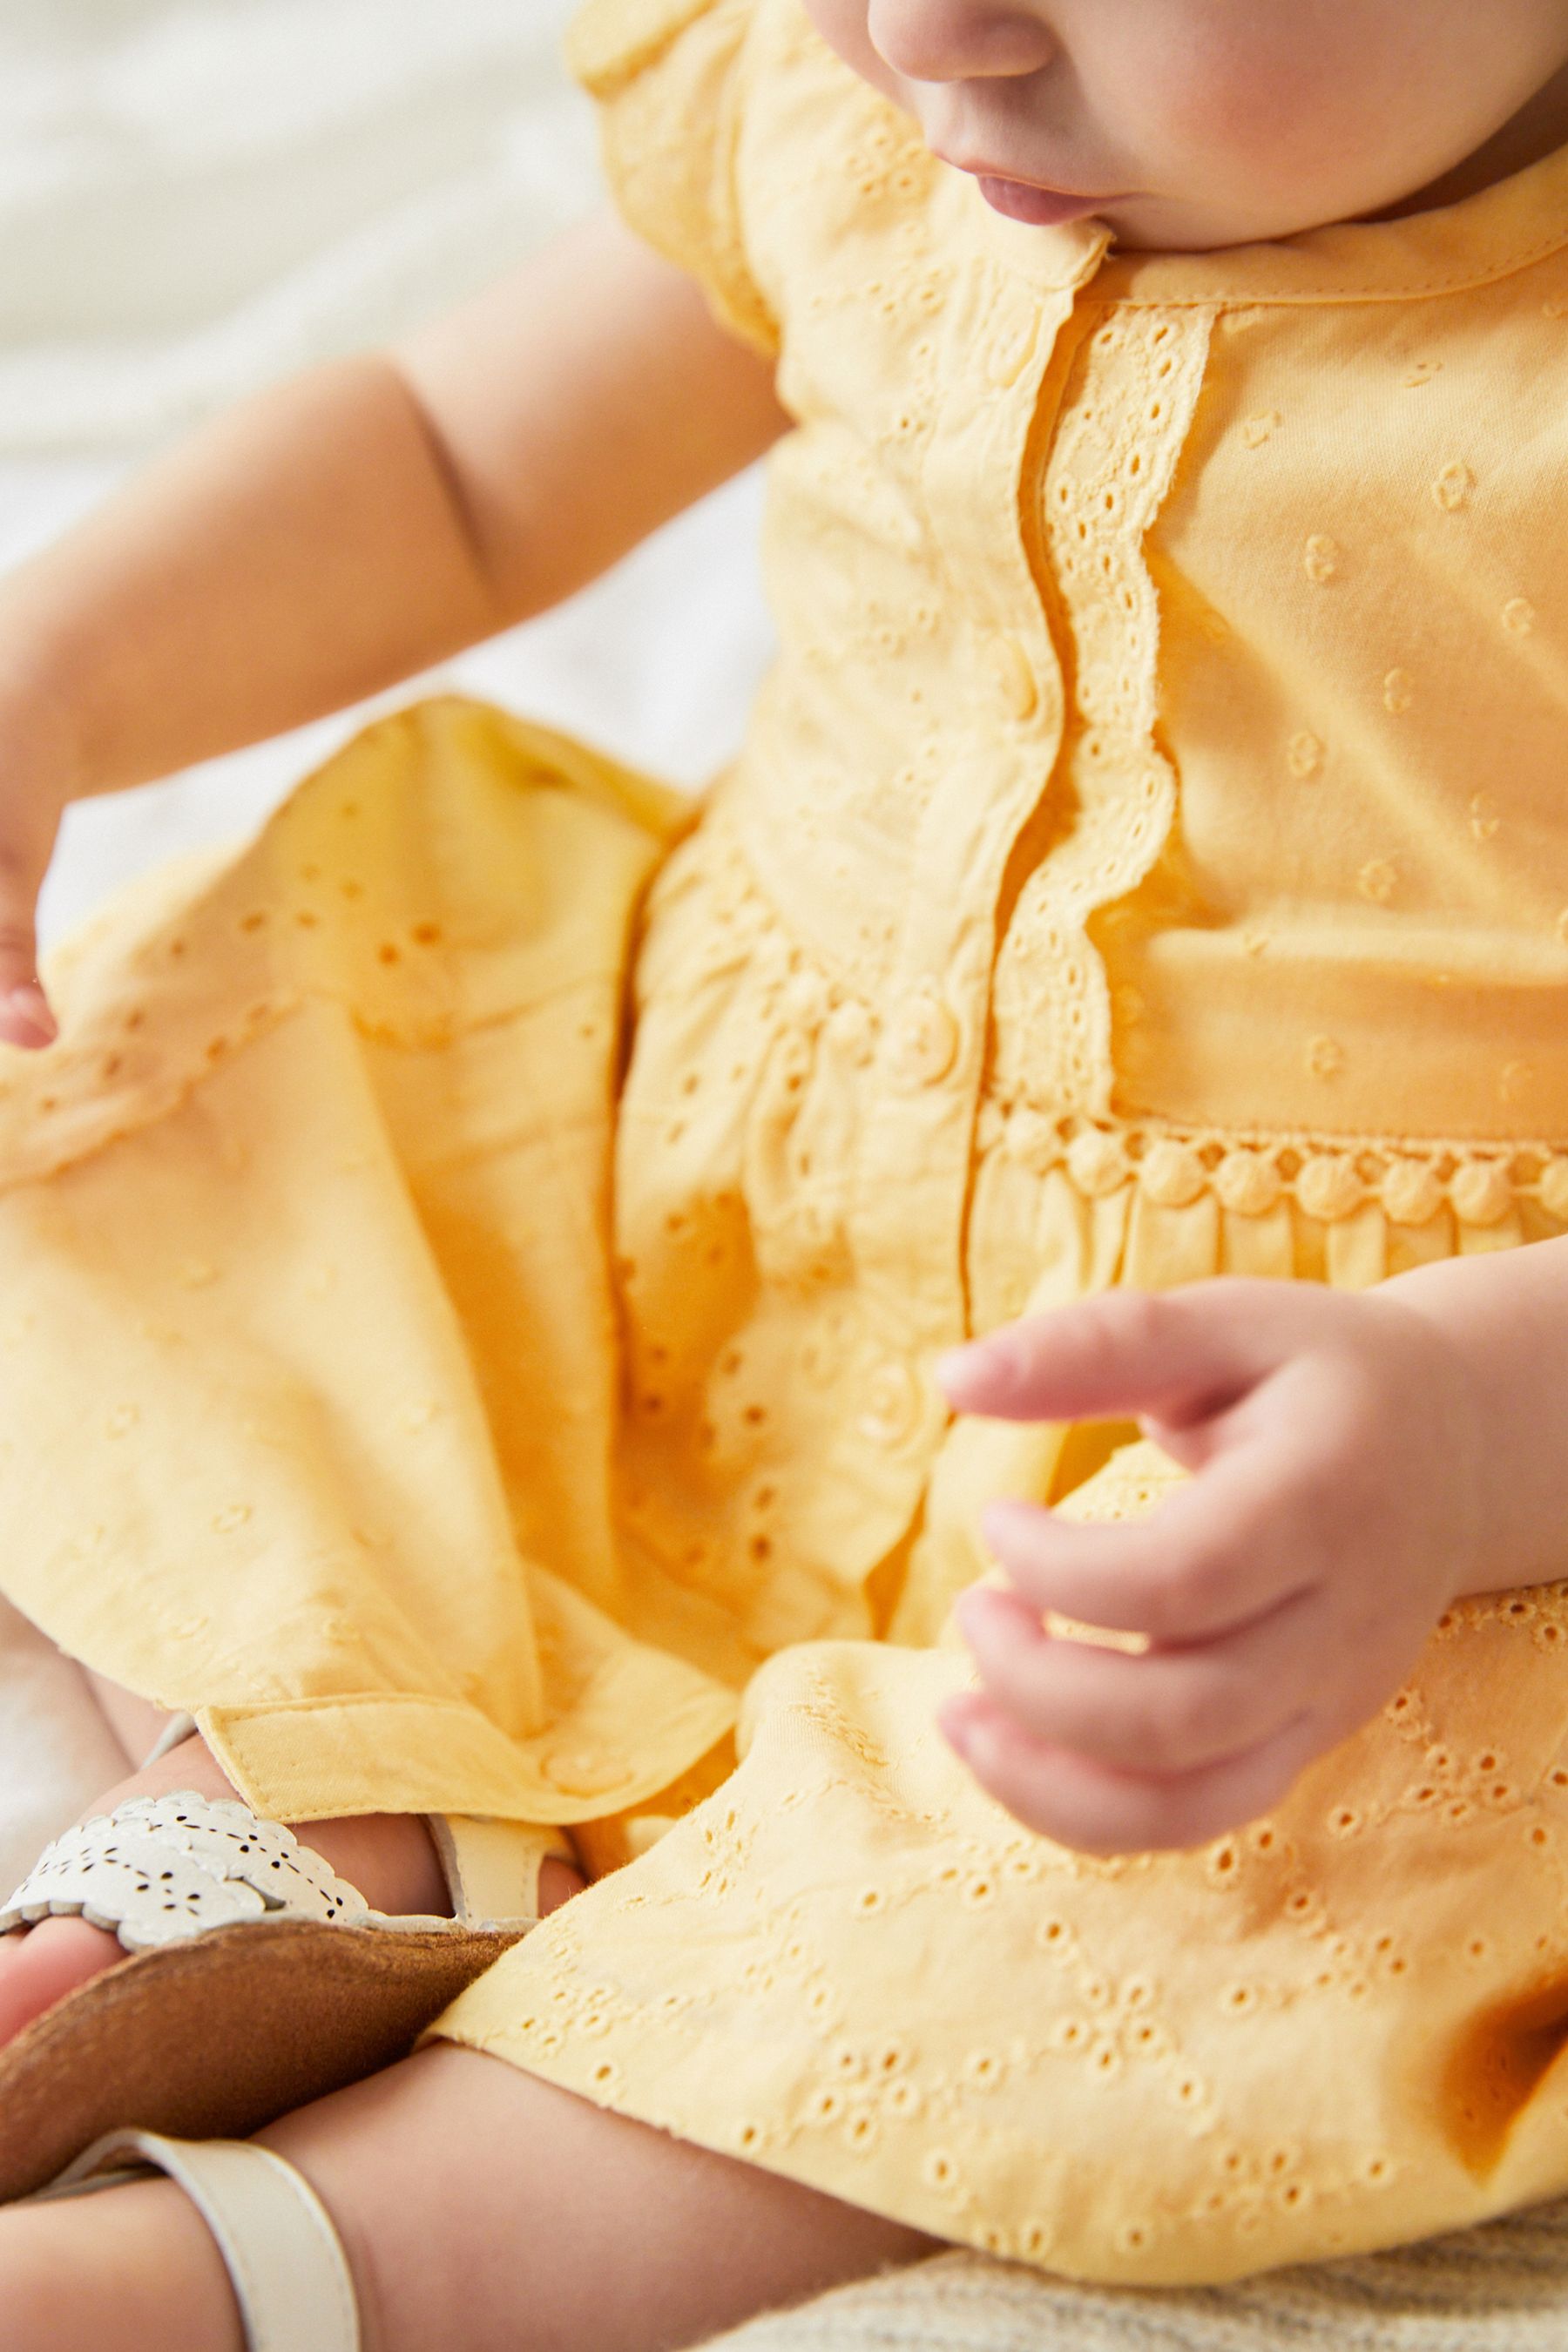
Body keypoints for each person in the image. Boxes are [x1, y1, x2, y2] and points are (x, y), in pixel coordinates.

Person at [4, 0, 1568, 2343]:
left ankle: (284, 2268)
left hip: (1277, 1505)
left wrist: (1456, 1438)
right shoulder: (854, 105)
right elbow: (450, 460)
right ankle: (353, 1768)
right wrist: (50, 679)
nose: (933, 22)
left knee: (1281, 1884)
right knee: (214, 1106)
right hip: (678, 1207)